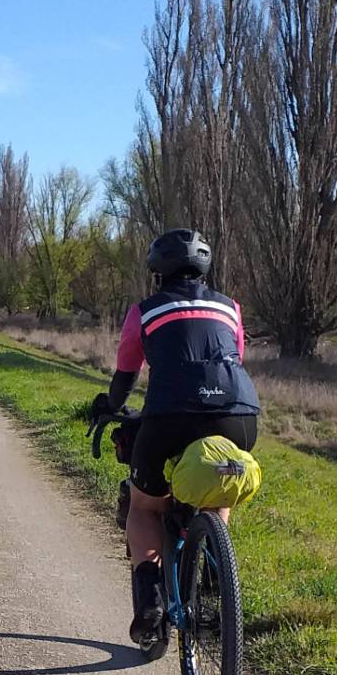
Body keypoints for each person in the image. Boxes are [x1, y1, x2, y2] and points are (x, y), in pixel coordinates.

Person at [92, 228, 261, 650]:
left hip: (169, 416)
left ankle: (150, 601)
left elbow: (127, 374)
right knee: (216, 493)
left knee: (144, 507)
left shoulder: (144, 312)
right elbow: (232, 359)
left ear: (157, 271)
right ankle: (213, 577)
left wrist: (107, 404)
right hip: (238, 415)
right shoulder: (230, 308)